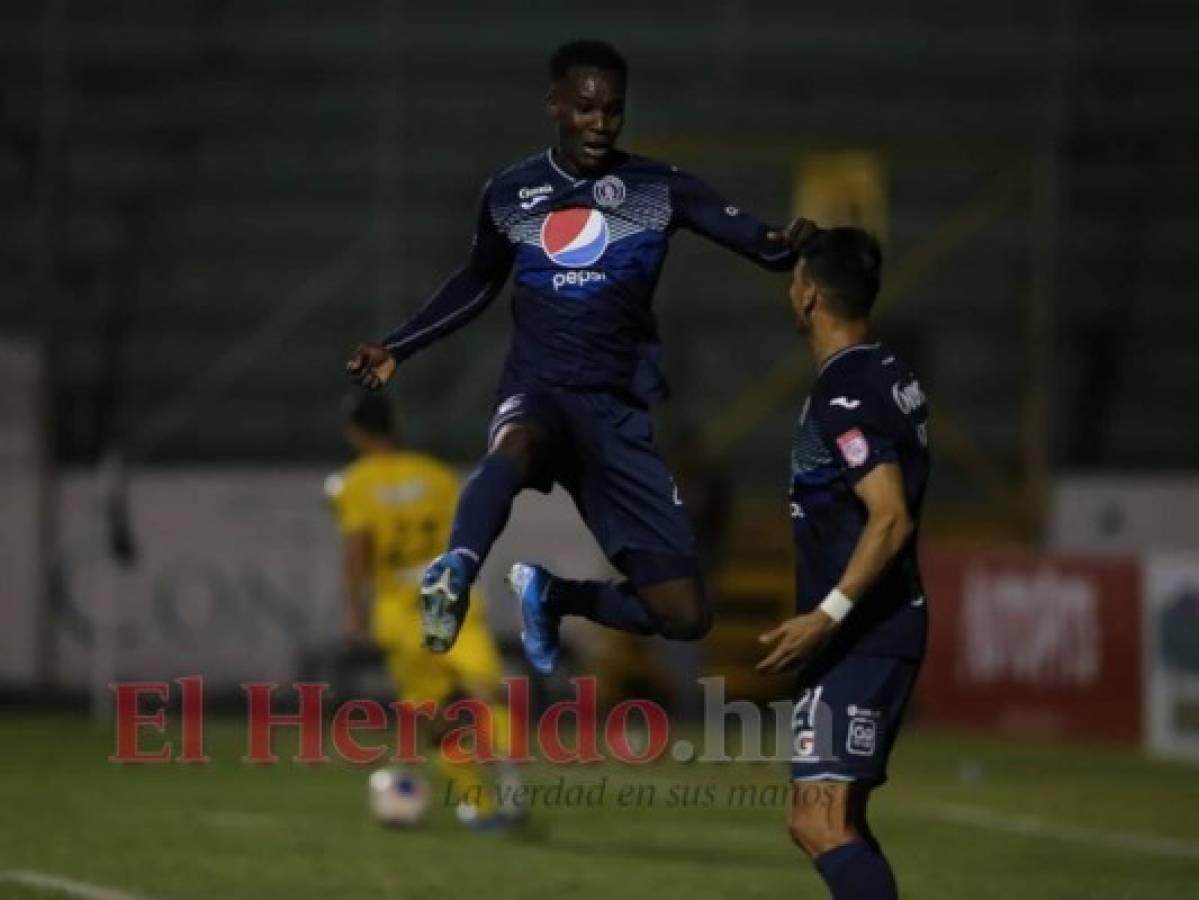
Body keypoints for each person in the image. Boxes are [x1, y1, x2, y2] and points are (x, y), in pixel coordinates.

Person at [345, 39, 816, 673]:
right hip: (540, 388)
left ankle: (553, 593)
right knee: (513, 443)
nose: (599, 124)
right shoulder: (512, 192)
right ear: (555, 104)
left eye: (612, 111)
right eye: (585, 109)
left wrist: (790, 244)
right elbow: (478, 281)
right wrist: (398, 346)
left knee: (684, 613)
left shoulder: (657, 187)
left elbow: (760, 242)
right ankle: (454, 569)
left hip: (616, 415)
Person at [755, 228, 929, 899]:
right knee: (834, 820)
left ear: (806, 294)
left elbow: (888, 515)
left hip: (862, 631)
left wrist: (824, 616)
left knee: (817, 822)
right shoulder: (890, 372)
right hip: (877, 625)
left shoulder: (844, 393)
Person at [326, 393, 519, 831]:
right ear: (395, 424)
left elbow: (359, 548)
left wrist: (354, 609)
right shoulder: (436, 476)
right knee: (485, 686)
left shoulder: (352, 483)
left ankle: (477, 805)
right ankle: (509, 778)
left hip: (399, 610)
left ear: (355, 432)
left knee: (432, 713)